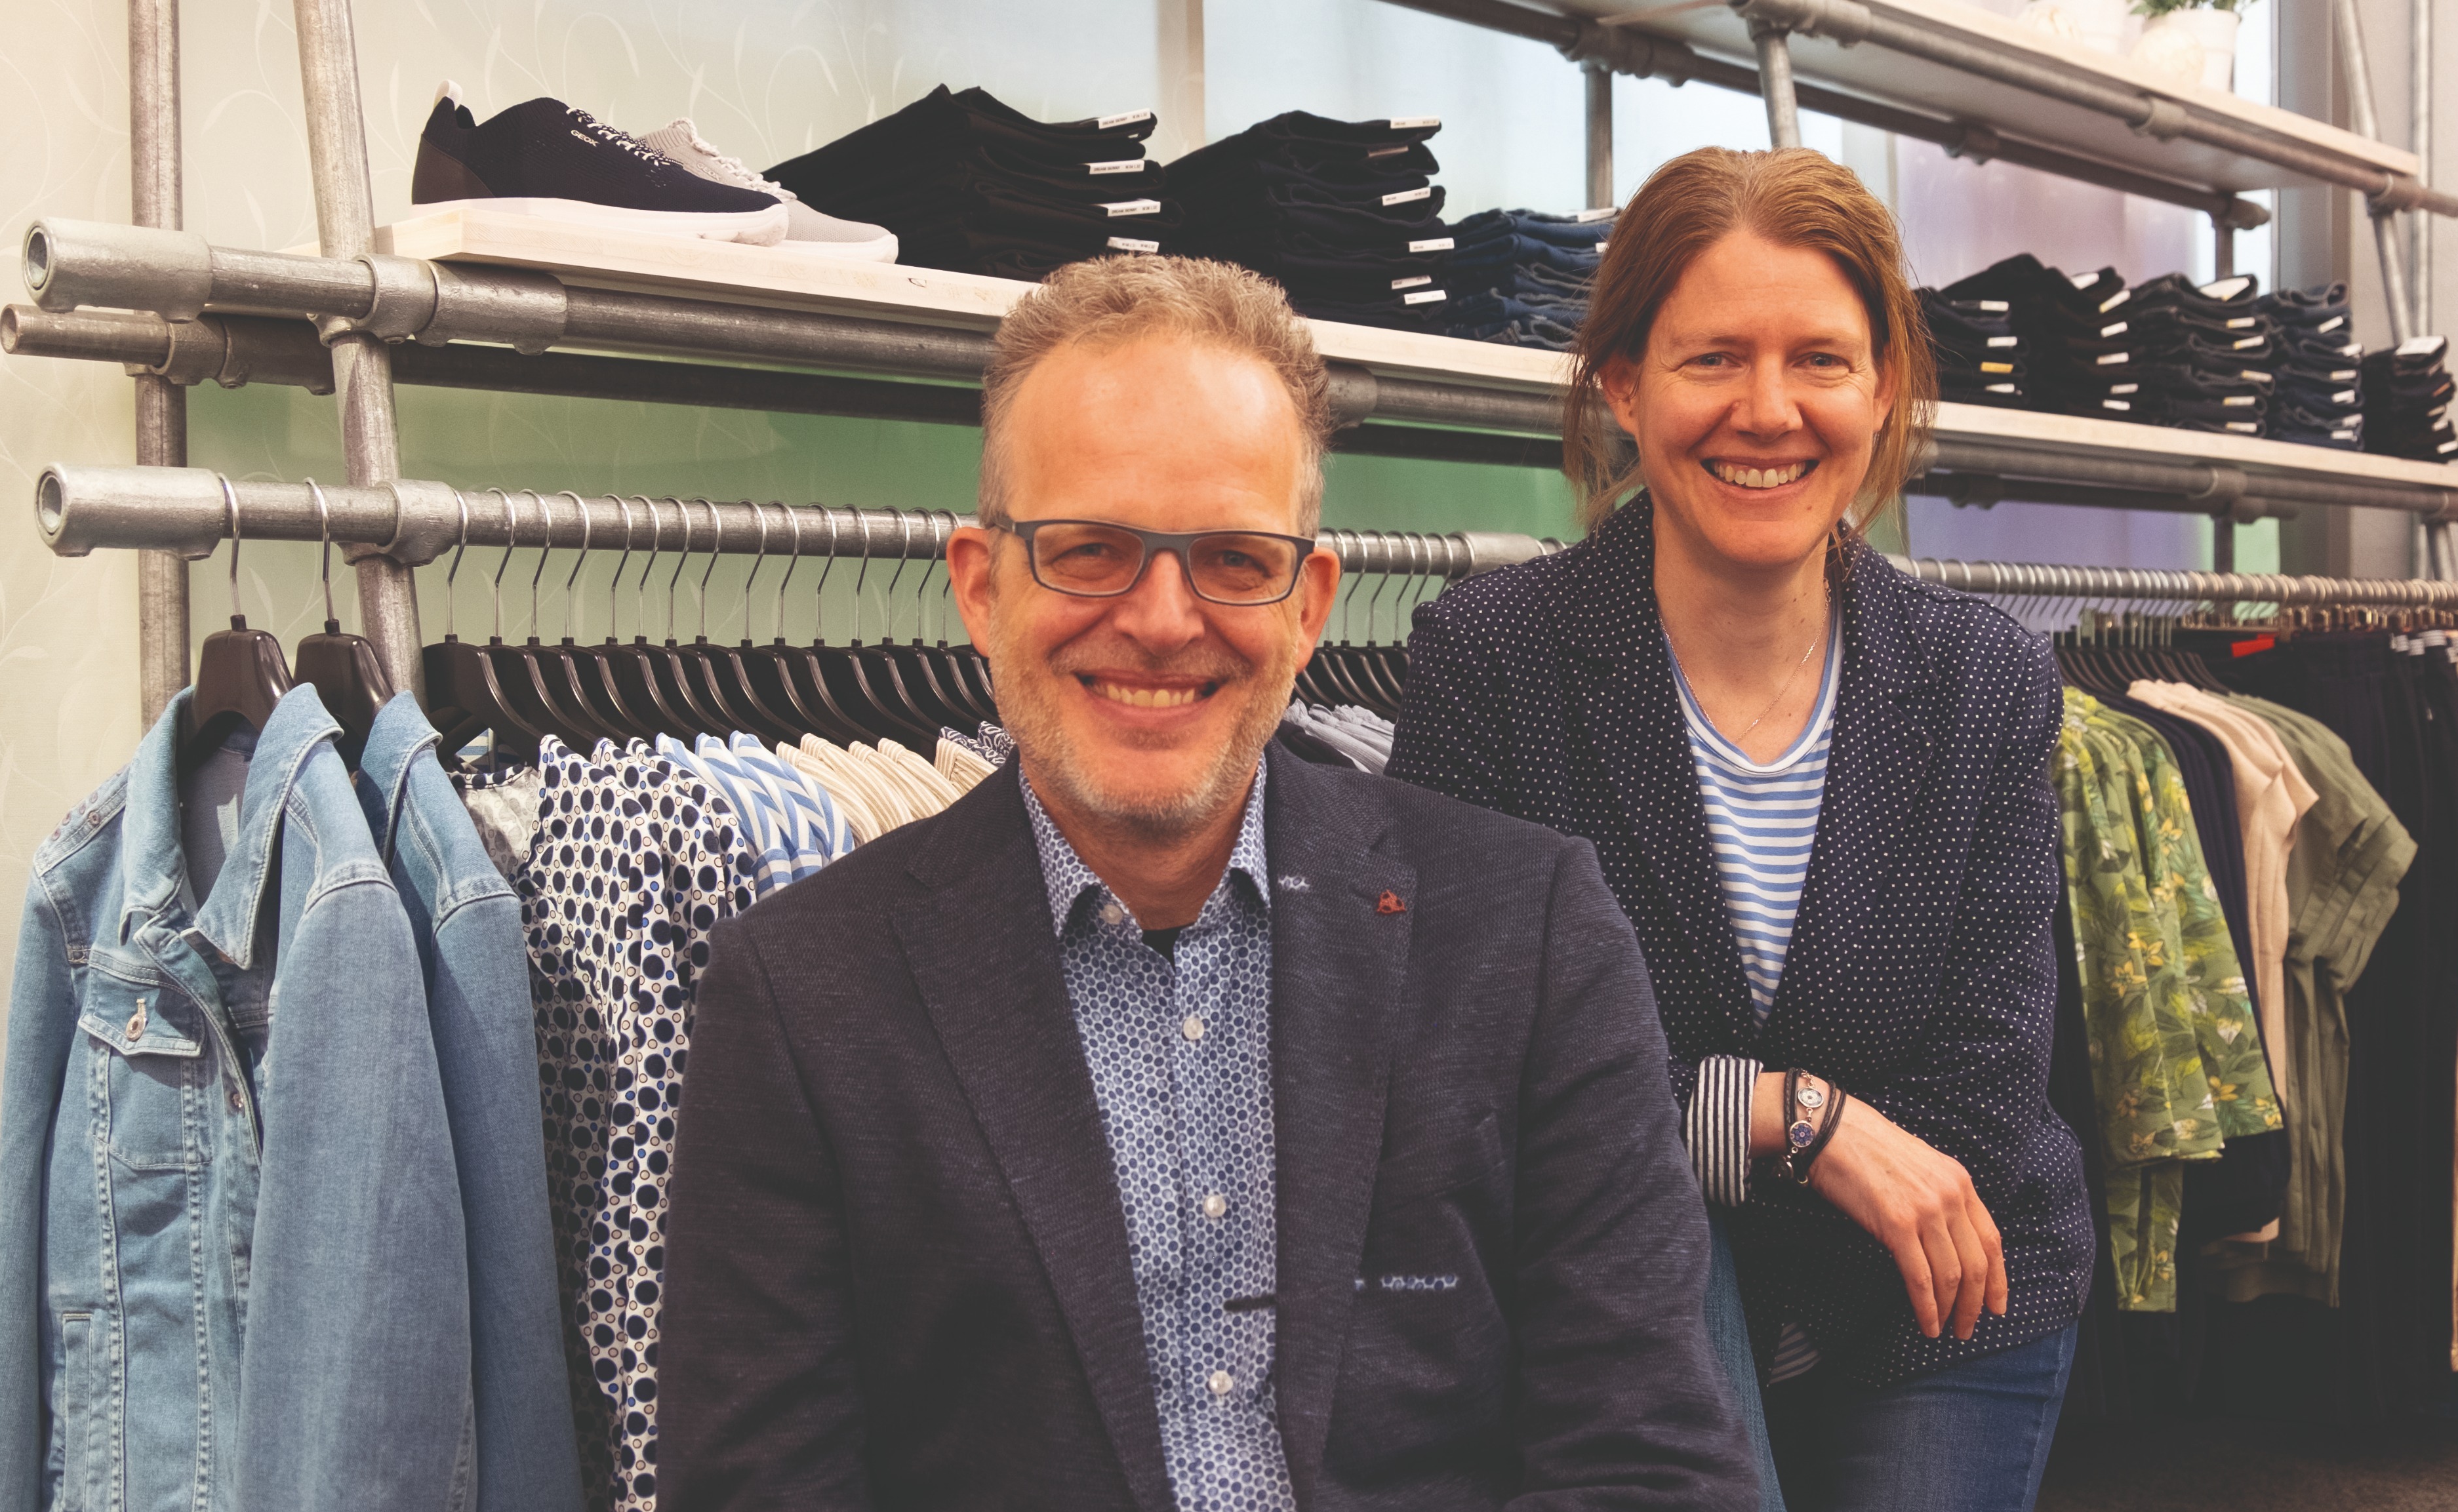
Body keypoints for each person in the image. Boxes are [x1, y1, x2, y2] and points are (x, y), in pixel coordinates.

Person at [655, 254, 1758, 1511]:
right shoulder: (804, 996)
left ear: (1310, 605)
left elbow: (1646, 1456)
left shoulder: (1527, 928)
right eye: (1091, 550)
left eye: (1234, 559)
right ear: (981, 586)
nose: (1164, 619)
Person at [1387, 146, 2092, 1512]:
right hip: (1620, 1271)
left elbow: (1988, 1084)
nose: (1767, 411)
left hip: (1929, 1296)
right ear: (1624, 385)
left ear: (1882, 389)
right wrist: (1792, 1120)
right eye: (1713, 358)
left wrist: (1695, 1120)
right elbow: (1462, 1064)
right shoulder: (1492, 662)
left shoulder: (1988, 680)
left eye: (1819, 360)